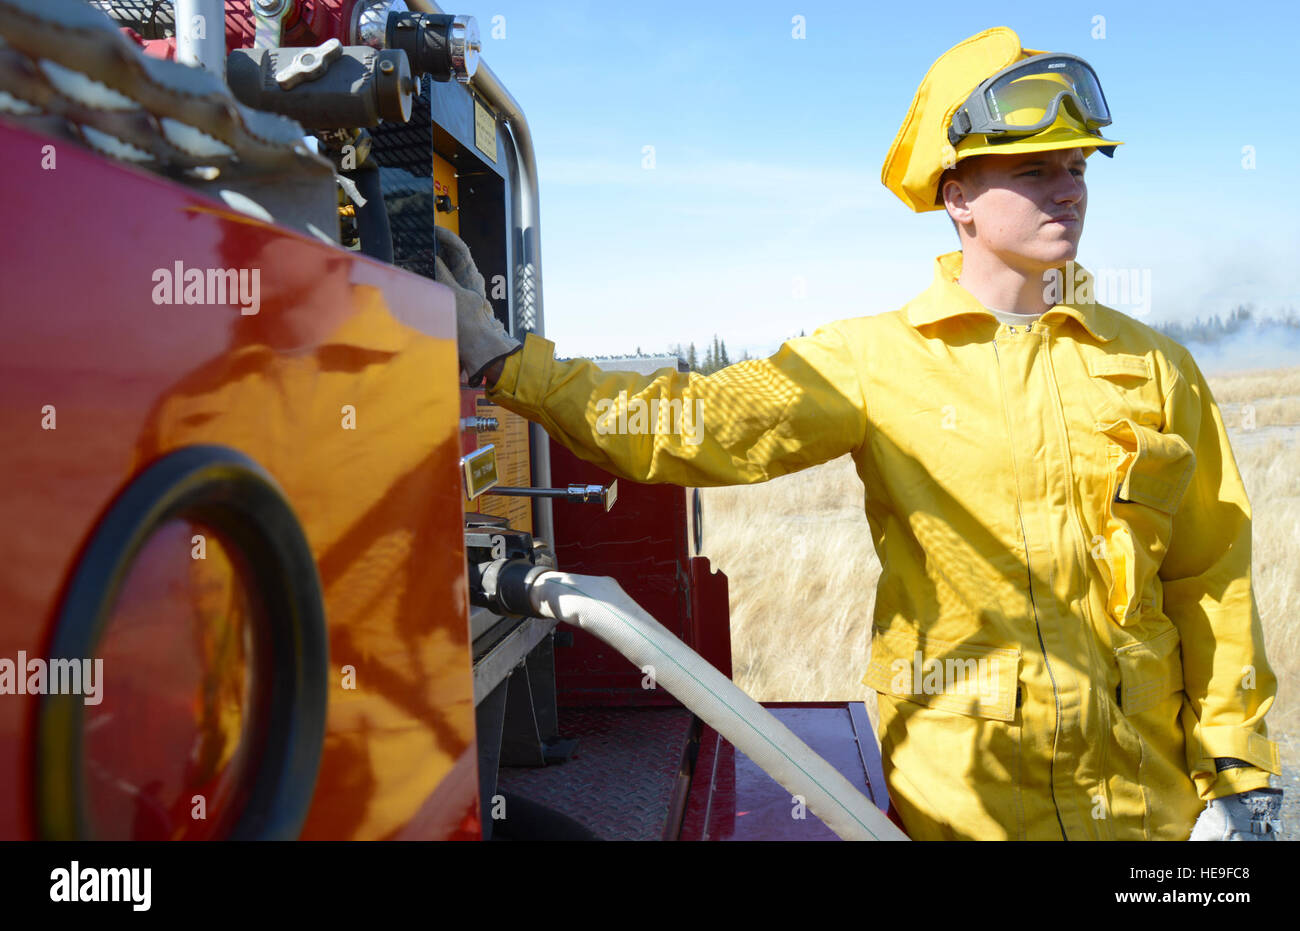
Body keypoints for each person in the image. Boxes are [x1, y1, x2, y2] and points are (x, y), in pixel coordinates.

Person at [435, 26, 1283, 841]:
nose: (1068, 188)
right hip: (970, 811)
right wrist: (512, 366)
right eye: (1032, 170)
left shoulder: (1156, 366)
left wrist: (1241, 778)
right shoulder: (877, 360)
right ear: (958, 198)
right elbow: (696, 424)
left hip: (1150, 812)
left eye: (1076, 166)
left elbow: (1213, 584)